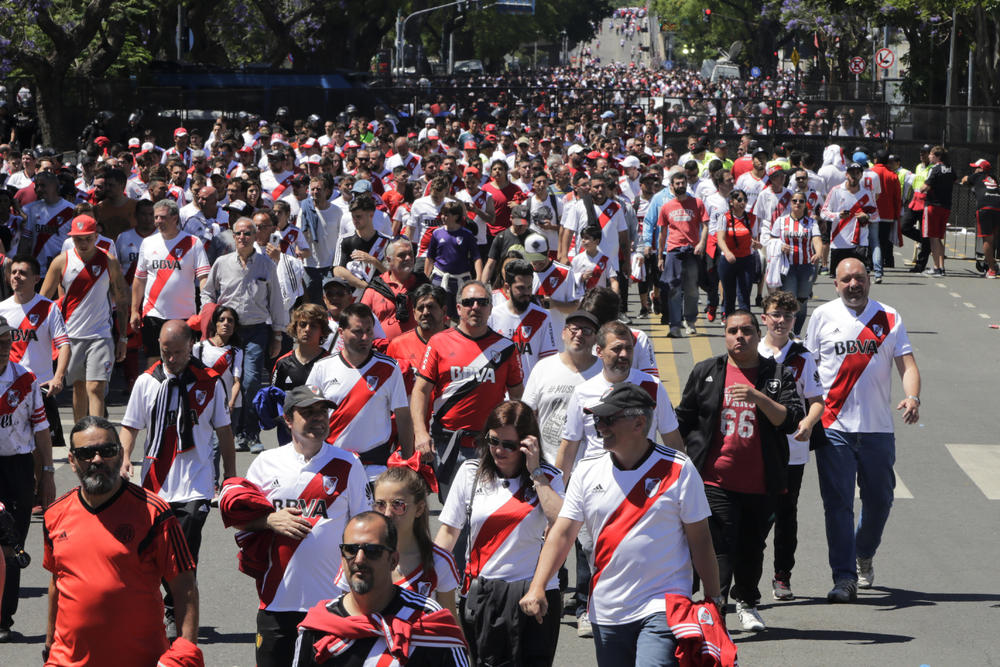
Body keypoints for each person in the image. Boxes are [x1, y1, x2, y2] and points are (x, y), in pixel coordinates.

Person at [520, 383, 722, 667]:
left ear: (639, 423)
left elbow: (700, 540)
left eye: (608, 419)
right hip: (607, 610)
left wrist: (714, 599)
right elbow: (563, 533)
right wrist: (537, 586)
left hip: (664, 604)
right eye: (597, 419)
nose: (599, 426)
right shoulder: (587, 471)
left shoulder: (679, 469)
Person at [222, 385, 371, 667]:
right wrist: (267, 520)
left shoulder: (348, 463)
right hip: (277, 603)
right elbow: (239, 522)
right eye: (308, 412)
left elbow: (366, 527)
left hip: (332, 604)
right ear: (288, 419)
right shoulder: (266, 463)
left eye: (322, 411)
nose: (318, 417)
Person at [674, 309, 803, 632]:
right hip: (714, 479)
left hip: (762, 482)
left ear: (758, 336)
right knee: (722, 544)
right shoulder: (708, 371)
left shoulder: (776, 374)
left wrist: (757, 396)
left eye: (746, 331)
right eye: (733, 331)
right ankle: (716, 606)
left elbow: (788, 421)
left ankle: (747, 601)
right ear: (725, 335)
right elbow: (682, 420)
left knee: (752, 546)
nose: (739, 337)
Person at [805, 257, 921, 603]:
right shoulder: (822, 316)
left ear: (868, 280)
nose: (853, 285)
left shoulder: (888, 316)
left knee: (880, 500)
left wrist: (912, 396)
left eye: (859, 278)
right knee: (838, 504)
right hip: (833, 427)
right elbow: (807, 368)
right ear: (835, 284)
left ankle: (863, 552)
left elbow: (908, 364)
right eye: (846, 280)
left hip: (877, 430)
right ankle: (844, 577)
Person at [43, 417, 200, 666]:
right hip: (66, 660)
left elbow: (185, 587)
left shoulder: (154, 512)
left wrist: (185, 651)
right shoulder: (54, 514)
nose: (97, 460)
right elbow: (57, 580)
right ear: (72, 461)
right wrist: (49, 643)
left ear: (120, 455)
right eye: (86, 453)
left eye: (107, 451)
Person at [120, 319, 236, 630]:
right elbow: (131, 425)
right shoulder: (147, 382)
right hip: (156, 484)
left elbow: (224, 430)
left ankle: (176, 612)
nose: (171, 360)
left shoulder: (209, 382)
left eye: (178, 353)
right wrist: (124, 459)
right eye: (165, 352)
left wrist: (230, 476)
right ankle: (161, 604)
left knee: (184, 550)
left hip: (196, 484)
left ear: (192, 347)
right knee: (153, 551)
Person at [436, 401, 564, 667]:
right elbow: (448, 533)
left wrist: (536, 472)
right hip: (482, 596)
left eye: (509, 444)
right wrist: (428, 577)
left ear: (528, 444)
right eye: (493, 441)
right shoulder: (470, 473)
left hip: (535, 596)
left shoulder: (549, 477)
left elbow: (562, 524)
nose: (499, 450)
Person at [293, 512, 469, 666]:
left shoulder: (426, 618)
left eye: (372, 550)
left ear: (393, 560)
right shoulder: (317, 627)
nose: (359, 559)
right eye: (351, 549)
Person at [410, 280, 524, 492]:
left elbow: (517, 399)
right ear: (459, 308)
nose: (475, 307)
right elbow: (420, 390)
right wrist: (420, 432)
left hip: (490, 447)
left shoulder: (507, 348)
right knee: (452, 517)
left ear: (490, 307)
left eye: (482, 302)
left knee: (485, 515)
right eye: (469, 302)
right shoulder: (438, 342)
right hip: (448, 444)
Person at [757, 291, 824, 601]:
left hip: (792, 450)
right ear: (765, 318)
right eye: (775, 314)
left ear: (795, 319)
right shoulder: (753, 353)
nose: (781, 320)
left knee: (786, 514)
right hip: (757, 448)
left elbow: (816, 402)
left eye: (787, 315)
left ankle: (782, 575)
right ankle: (747, 578)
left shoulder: (802, 356)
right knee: (756, 516)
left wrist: (808, 424)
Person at [202, 216, 289, 453]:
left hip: (257, 330)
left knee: (250, 381)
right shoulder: (221, 262)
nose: (243, 237)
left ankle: (250, 433)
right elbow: (207, 293)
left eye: (248, 233)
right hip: (227, 331)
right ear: (233, 235)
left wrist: (278, 335)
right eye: (238, 233)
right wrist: (210, 316)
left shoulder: (266, 264)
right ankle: (228, 430)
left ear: (255, 236)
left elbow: (277, 302)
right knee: (225, 382)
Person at [335, 460, 459, 615]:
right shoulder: (357, 555)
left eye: (398, 505)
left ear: (419, 509)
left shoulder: (439, 561)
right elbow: (346, 618)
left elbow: (449, 628)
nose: (387, 513)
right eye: (380, 504)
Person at [306, 302, 413, 480]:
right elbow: (308, 415)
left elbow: (403, 417)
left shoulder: (389, 368)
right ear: (341, 333)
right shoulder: (322, 368)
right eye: (357, 331)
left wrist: (408, 460)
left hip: (376, 469)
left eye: (369, 331)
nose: (364, 337)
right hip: (331, 467)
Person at [40, 215, 129, 422]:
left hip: (101, 335)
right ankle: (80, 438)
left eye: (88, 238)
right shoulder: (61, 261)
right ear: (72, 238)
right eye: (78, 238)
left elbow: (121, 300)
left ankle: (98, 437)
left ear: (97, 236)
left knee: (96, 387)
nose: (83, 243)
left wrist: (123, 337)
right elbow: (43, 301)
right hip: (70, 336)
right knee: (79, 387)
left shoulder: (109, 261)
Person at [0, 315, 55, 642]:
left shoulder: (26, 379)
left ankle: (4, 619)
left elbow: (41, 429)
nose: (3, 348)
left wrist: (46, 472)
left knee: (12, 543)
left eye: (7, 341)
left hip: (18, 468)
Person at [0, 255, 71, 449]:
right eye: (13, 272)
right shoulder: (2, 309)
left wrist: (59, 377)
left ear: (36, 279)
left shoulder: (49, 308)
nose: (16, 276)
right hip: (9, 389)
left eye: (23, 273)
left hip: (41, 388)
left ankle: (44, 478)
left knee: (41, 447)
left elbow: (64, 344)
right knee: (13, 445)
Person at [131, 199, 211, 369]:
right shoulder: (147, 243)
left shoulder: (193, 242)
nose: (158, 221)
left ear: (175, 218)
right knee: (154, 360)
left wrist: (205, 307)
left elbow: (204, 277)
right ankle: (155, 394)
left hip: (184, 315)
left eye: (163, 217)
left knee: (183, 360)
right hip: (153, 313)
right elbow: (139, 279)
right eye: (156, 217)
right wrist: (134, 311)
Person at [522, 310, 603, 465]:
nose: (579, 334)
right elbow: (527, 415)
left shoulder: (604, 372)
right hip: (547, 465)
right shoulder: (543, 368)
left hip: (590, 467)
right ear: (563, 333)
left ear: (595, 339)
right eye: (574, 329)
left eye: (586, 331)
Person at [761, 193, 823, 335]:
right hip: (787, 267)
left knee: (802, 300)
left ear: (805, 204)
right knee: (790, 300)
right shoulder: (781, 221)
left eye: (801, 201)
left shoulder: (811, 222)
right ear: (790, 203)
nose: (797, 203)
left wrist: (818, 253)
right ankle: (788, 332)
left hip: (806, 266)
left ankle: (797, 332)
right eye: (794, 201)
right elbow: (771, 241)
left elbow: (817, 239)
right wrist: (780, 246)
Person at [657, 171, 708, 337]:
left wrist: (701, 243)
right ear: (671, 186)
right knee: (674, 290)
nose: (680, 186)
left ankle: (690, 321)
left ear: (686, 184)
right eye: (677, 183)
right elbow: (662, 233)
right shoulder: (666, 207)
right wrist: (660, 256)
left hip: (692, 251)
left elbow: (706, 225)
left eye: (683, 183)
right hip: (673, 251)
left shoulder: (697, 203)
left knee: (692, 289)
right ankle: (675, 325)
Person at [487, 258, 558, 378]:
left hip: (529, 393)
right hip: (501, 392)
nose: (526, 293)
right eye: (520, 288)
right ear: (507, 287)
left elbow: (548, 362)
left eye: (529, 287)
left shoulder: (543, 317)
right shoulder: (492, 316)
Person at [385, 284, 448, 395]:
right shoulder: (397, 345)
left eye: (431, 307)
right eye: (420, 308)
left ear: (444, 311)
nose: (425, 312)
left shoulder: (458, 343)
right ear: (414, 313)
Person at [425, 200, 482, 317]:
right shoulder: (437, 233)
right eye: (442, 214)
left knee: (461, 312)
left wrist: (479, 279)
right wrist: (426, 278)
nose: (443, 217)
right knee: (438, 310)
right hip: (439, 278)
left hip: (461, 279)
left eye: (447, 214)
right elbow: (430, 257)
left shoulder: (467, 235)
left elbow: (477, 258)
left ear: (456, 216)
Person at [820, 162, 877, 277]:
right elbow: (824, 212)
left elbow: (876, 214)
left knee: (858, 277)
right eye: (851, 173)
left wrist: (867, 216)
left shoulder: (867, 193)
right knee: (840, 279)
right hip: (839, 242)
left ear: (861, 175)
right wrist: (837, 215)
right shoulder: (836, 190)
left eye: (857, 173)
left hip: (859, 242)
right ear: (846, 174)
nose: (854, 176)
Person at [360, 238, 423, 340]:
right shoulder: (375, 288)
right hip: (382, 352)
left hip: (416, 351)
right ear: (389, 260)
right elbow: (360, 320)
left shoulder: (422, 284)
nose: (408, 258)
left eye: (410, 254)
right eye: (401, 255)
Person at [333, 194, 390, 300]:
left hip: (381, 297)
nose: (355, 220)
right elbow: (337, 270)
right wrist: (363, 285)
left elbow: (392, 275)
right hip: (354, 298)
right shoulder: (345, 240)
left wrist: (373, 261)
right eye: (353, 217)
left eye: (358, 216)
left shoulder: (386, 241)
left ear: (371, 215)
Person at [298, 174, 342, 304]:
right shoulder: (304, 211)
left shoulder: (337, 211)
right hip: (310, 265)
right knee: (311, 303)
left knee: (330, 302)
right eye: (313, 189)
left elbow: (341, 237)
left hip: (330, 265)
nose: (315, 192)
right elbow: (299, 235)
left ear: (327, 191)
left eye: (319, 189)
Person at [715, 189, 758, 319]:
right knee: (729, 295)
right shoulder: (724, 218)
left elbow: (754, 237)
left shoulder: (751, 217)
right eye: (739, 200)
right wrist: (727, 253)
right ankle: (729, 321)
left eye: (745, 200)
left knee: (744, 294)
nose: (742, 203)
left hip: (746, 260)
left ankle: (746, 323)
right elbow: (720, 239)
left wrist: (756, 244)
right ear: (731, 202)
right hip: (728, 260)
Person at [920, 146, 956, 277]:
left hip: (933, 206)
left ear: (937, 156)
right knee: (939, 238)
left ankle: (936, 268)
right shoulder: (951, 168)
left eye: (931, 154)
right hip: (946, 206)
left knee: (933, 238)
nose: (929, 156)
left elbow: (925, 186)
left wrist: (921, 188)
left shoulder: (934, 169)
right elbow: (954, 180)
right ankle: (941, 267)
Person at [963, 159, 1000, 277]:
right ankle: (992, 263)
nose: (974, 170)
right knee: (994, 239)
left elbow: (964, 180)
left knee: (987, 240)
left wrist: (967, 179)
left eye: (976, 167)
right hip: (998, 207)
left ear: (981, 169)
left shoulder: (977, 175)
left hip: (985, 208)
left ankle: (992, 269)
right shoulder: (993, 178)